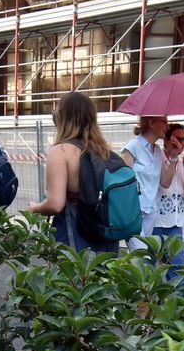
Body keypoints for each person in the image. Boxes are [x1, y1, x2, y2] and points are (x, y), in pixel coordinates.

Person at [27, 91, 118, 254]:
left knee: (73, 279)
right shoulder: (104, 150)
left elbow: (55, 204)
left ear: (63, 117)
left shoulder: (61, 151)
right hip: (106, 235)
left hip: (75, 236)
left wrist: (34, 208)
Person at [120, 114, 168, 250]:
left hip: (150, 211)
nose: (167, 126)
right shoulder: (132, 147)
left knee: (140, 257)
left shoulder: (158, 150)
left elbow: (165, 182)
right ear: (152, 123)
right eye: (164, 121)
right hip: (134, 211)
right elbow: (121, 180)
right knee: (141, 253)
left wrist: (175, 158)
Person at [153, 122, 184, 241]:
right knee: (155, 258)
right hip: (158, 221)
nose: (182, 144)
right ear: (167, 141)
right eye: (178, 139)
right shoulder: (158, 158)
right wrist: (173, 158)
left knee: (177, 259)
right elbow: (165, 184)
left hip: (177, 222)